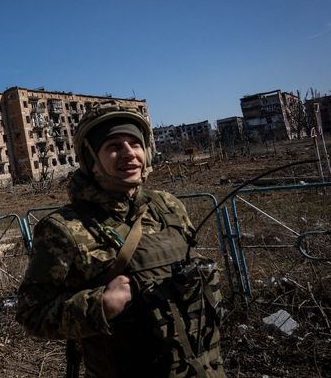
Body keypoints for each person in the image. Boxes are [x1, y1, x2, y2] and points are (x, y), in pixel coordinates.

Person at [16, 103, 225, 377]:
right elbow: (32, 314)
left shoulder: (168, 206)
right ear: (91, 160)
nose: (129, 154)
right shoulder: (64, 228)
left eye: (135, 143)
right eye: (114, 146)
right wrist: (101, 304)